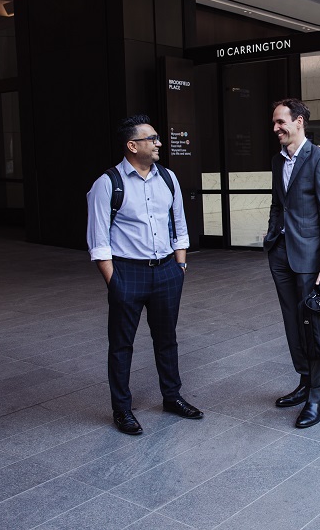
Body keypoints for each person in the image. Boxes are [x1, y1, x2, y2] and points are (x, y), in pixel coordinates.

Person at [86, 114, 203, 436]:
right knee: (121, 345)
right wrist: (115, 281)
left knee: (167, 340)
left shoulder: (168, 178)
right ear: (132, 145)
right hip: (128, 273)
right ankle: (122, 409)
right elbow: (98, 241)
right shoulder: (107, 184)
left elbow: (179, 223)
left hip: (167, 271)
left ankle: (172, 397)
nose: (159, 143)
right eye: (152, 138)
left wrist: (180, 266)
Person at [263, 98, 320, 428]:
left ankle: (317, 397)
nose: (276, 127)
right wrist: (272, 236)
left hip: (310, 259)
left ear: (299, 122)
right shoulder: (279, 161)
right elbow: (278, 204)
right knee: (292, 323)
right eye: (275, 122)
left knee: (313, 326)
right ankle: (305, 381)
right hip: (281, 254)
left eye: (281, 121)